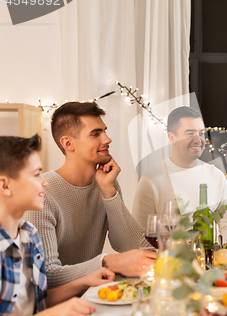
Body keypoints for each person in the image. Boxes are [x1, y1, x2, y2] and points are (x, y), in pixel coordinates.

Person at [24, 101, 155, 289]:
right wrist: (108, 262)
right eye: (96, 134)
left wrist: (109, 191)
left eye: (104, 131)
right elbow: (47, 276)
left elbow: (133, 246)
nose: (107, 139)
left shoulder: (105, 183)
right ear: (68, 143)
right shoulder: (42, 193)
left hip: (92, 295)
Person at [0, 135, 115, 316]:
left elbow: (37, 303)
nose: (44, 182)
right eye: (36, 174)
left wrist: (84, 282)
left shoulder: (29, 235)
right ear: (5, 185)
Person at [133, 106, 227, 244]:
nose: (198, 140)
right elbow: (140, 237)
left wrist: (224, 254)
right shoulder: (150, 179)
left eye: (201, 133)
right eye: (190, 133)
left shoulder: (216, 176)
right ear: (172, 138)